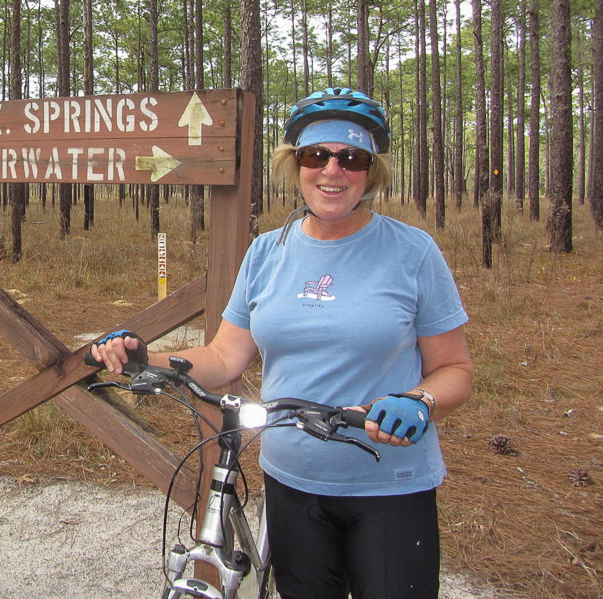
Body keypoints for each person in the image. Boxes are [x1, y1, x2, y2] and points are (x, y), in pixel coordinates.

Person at [90, 87, 473, 599]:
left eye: (351, 158)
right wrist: (145, 356)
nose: (332, 171)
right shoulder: (267, 252)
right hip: (291, 483)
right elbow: (225, 357)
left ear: (370, 172)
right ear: (296, 165)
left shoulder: (413, 252)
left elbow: (455, 370)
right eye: (317, 155)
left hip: (389, 485)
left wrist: (420, 400)